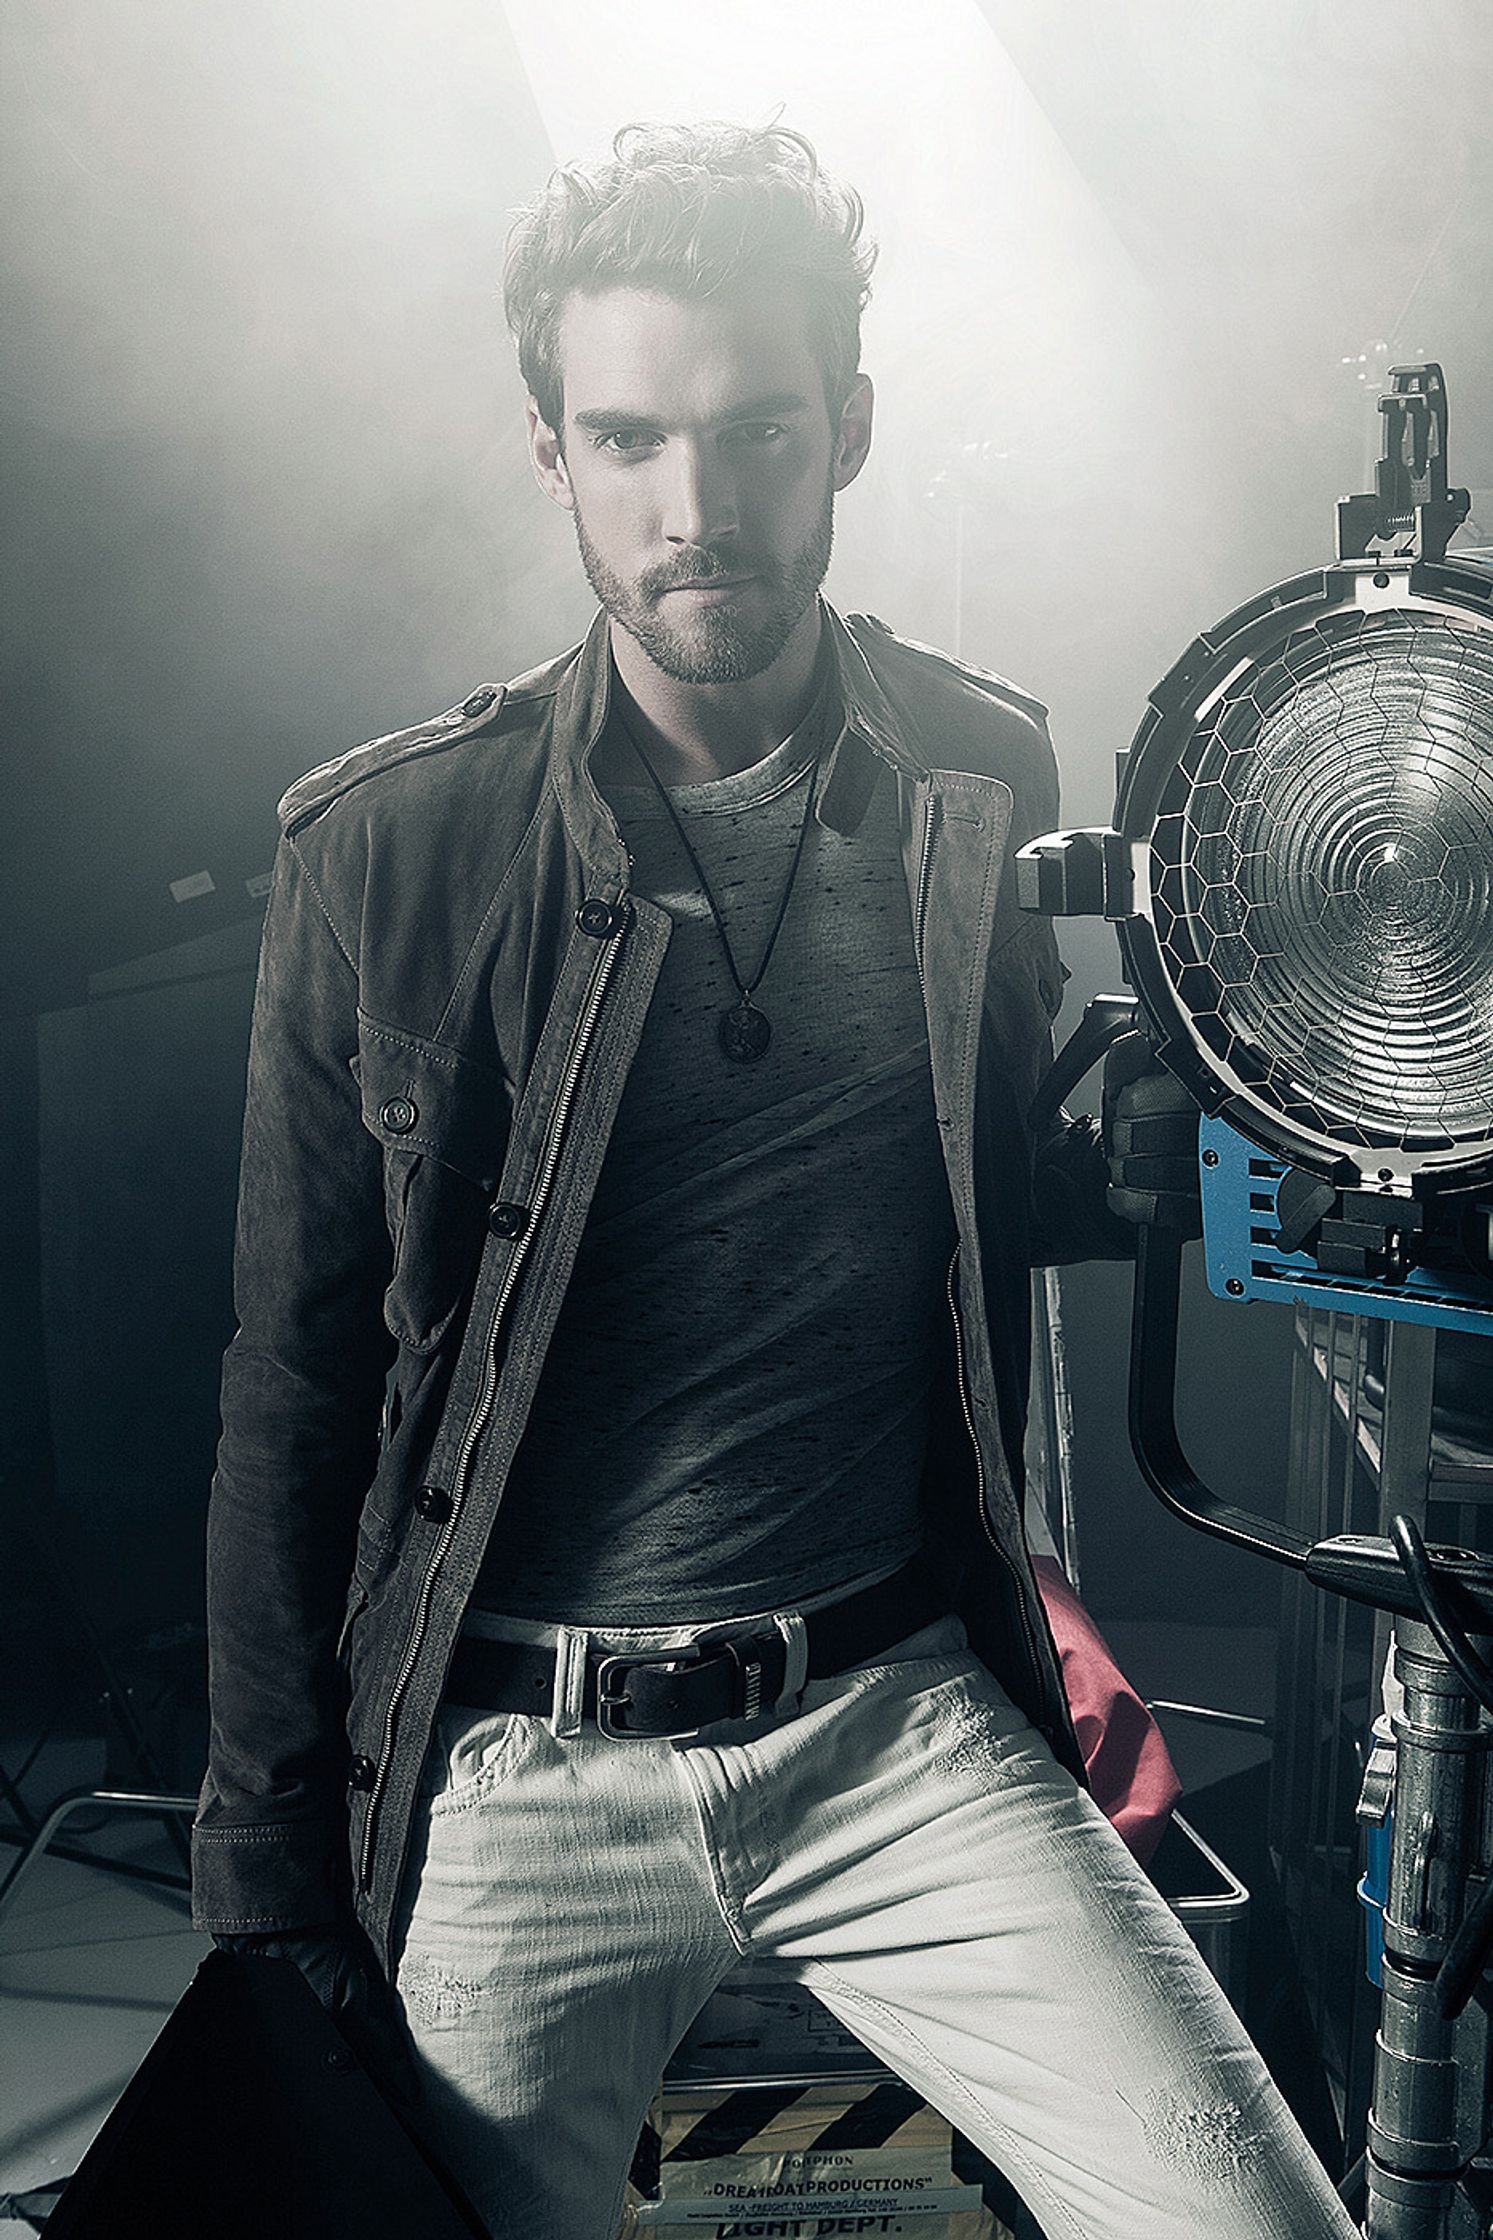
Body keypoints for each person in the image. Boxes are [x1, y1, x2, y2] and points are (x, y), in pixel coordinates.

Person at [193, 123, 1358, 2240]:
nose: (699, 509)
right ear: (552, 450)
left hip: (891, 1714)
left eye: (756, 434)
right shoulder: (386, 854)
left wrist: (1153, 1150)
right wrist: (268, 1875)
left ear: (850, 434)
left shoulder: (974, 769)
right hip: (526, 1757)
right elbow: (296, 1392)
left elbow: (980, 1176)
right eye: (630, 438)